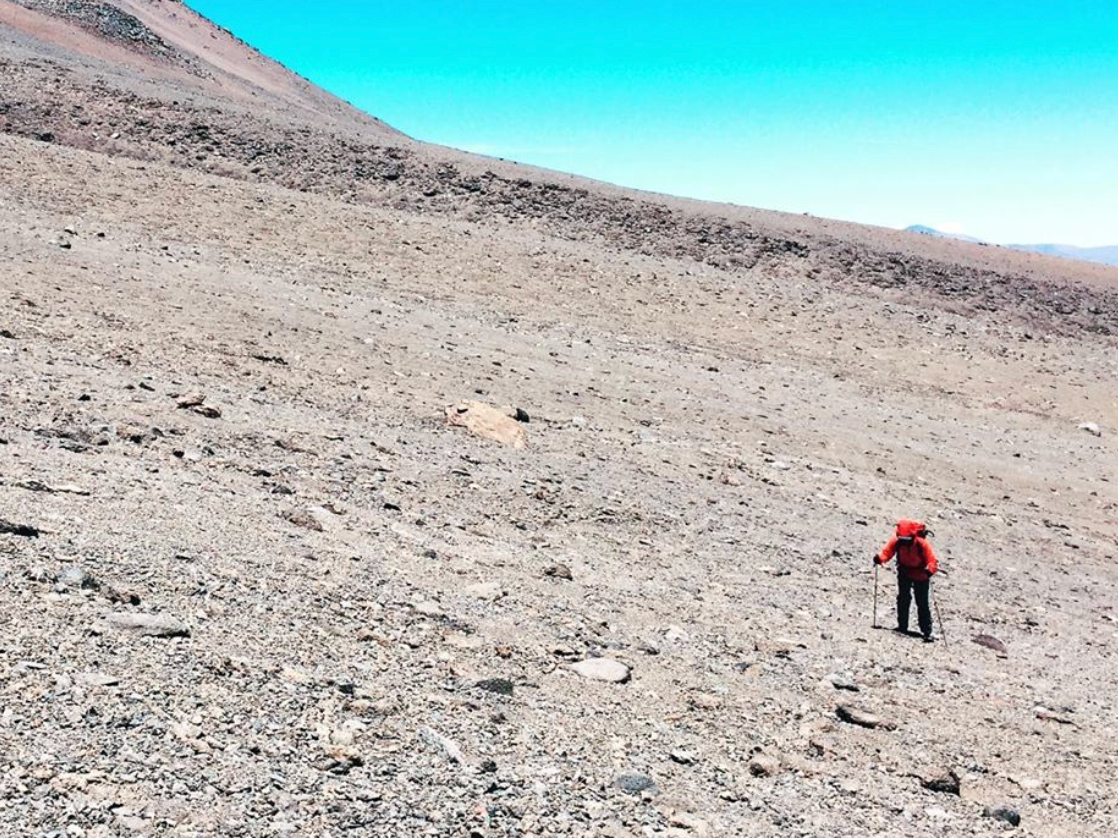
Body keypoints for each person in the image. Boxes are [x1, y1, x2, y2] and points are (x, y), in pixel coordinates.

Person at [875, 519, 939, 642]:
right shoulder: (898, 541)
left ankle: (925, 631)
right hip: (907, 572)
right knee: (904, 599)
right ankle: (905, 627)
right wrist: (880, 559)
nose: (904, 543)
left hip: (919, 574)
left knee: (921, 602)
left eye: (907, 540)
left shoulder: (920, 543)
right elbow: (887, 552)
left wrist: (930, 570)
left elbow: (932, 560)